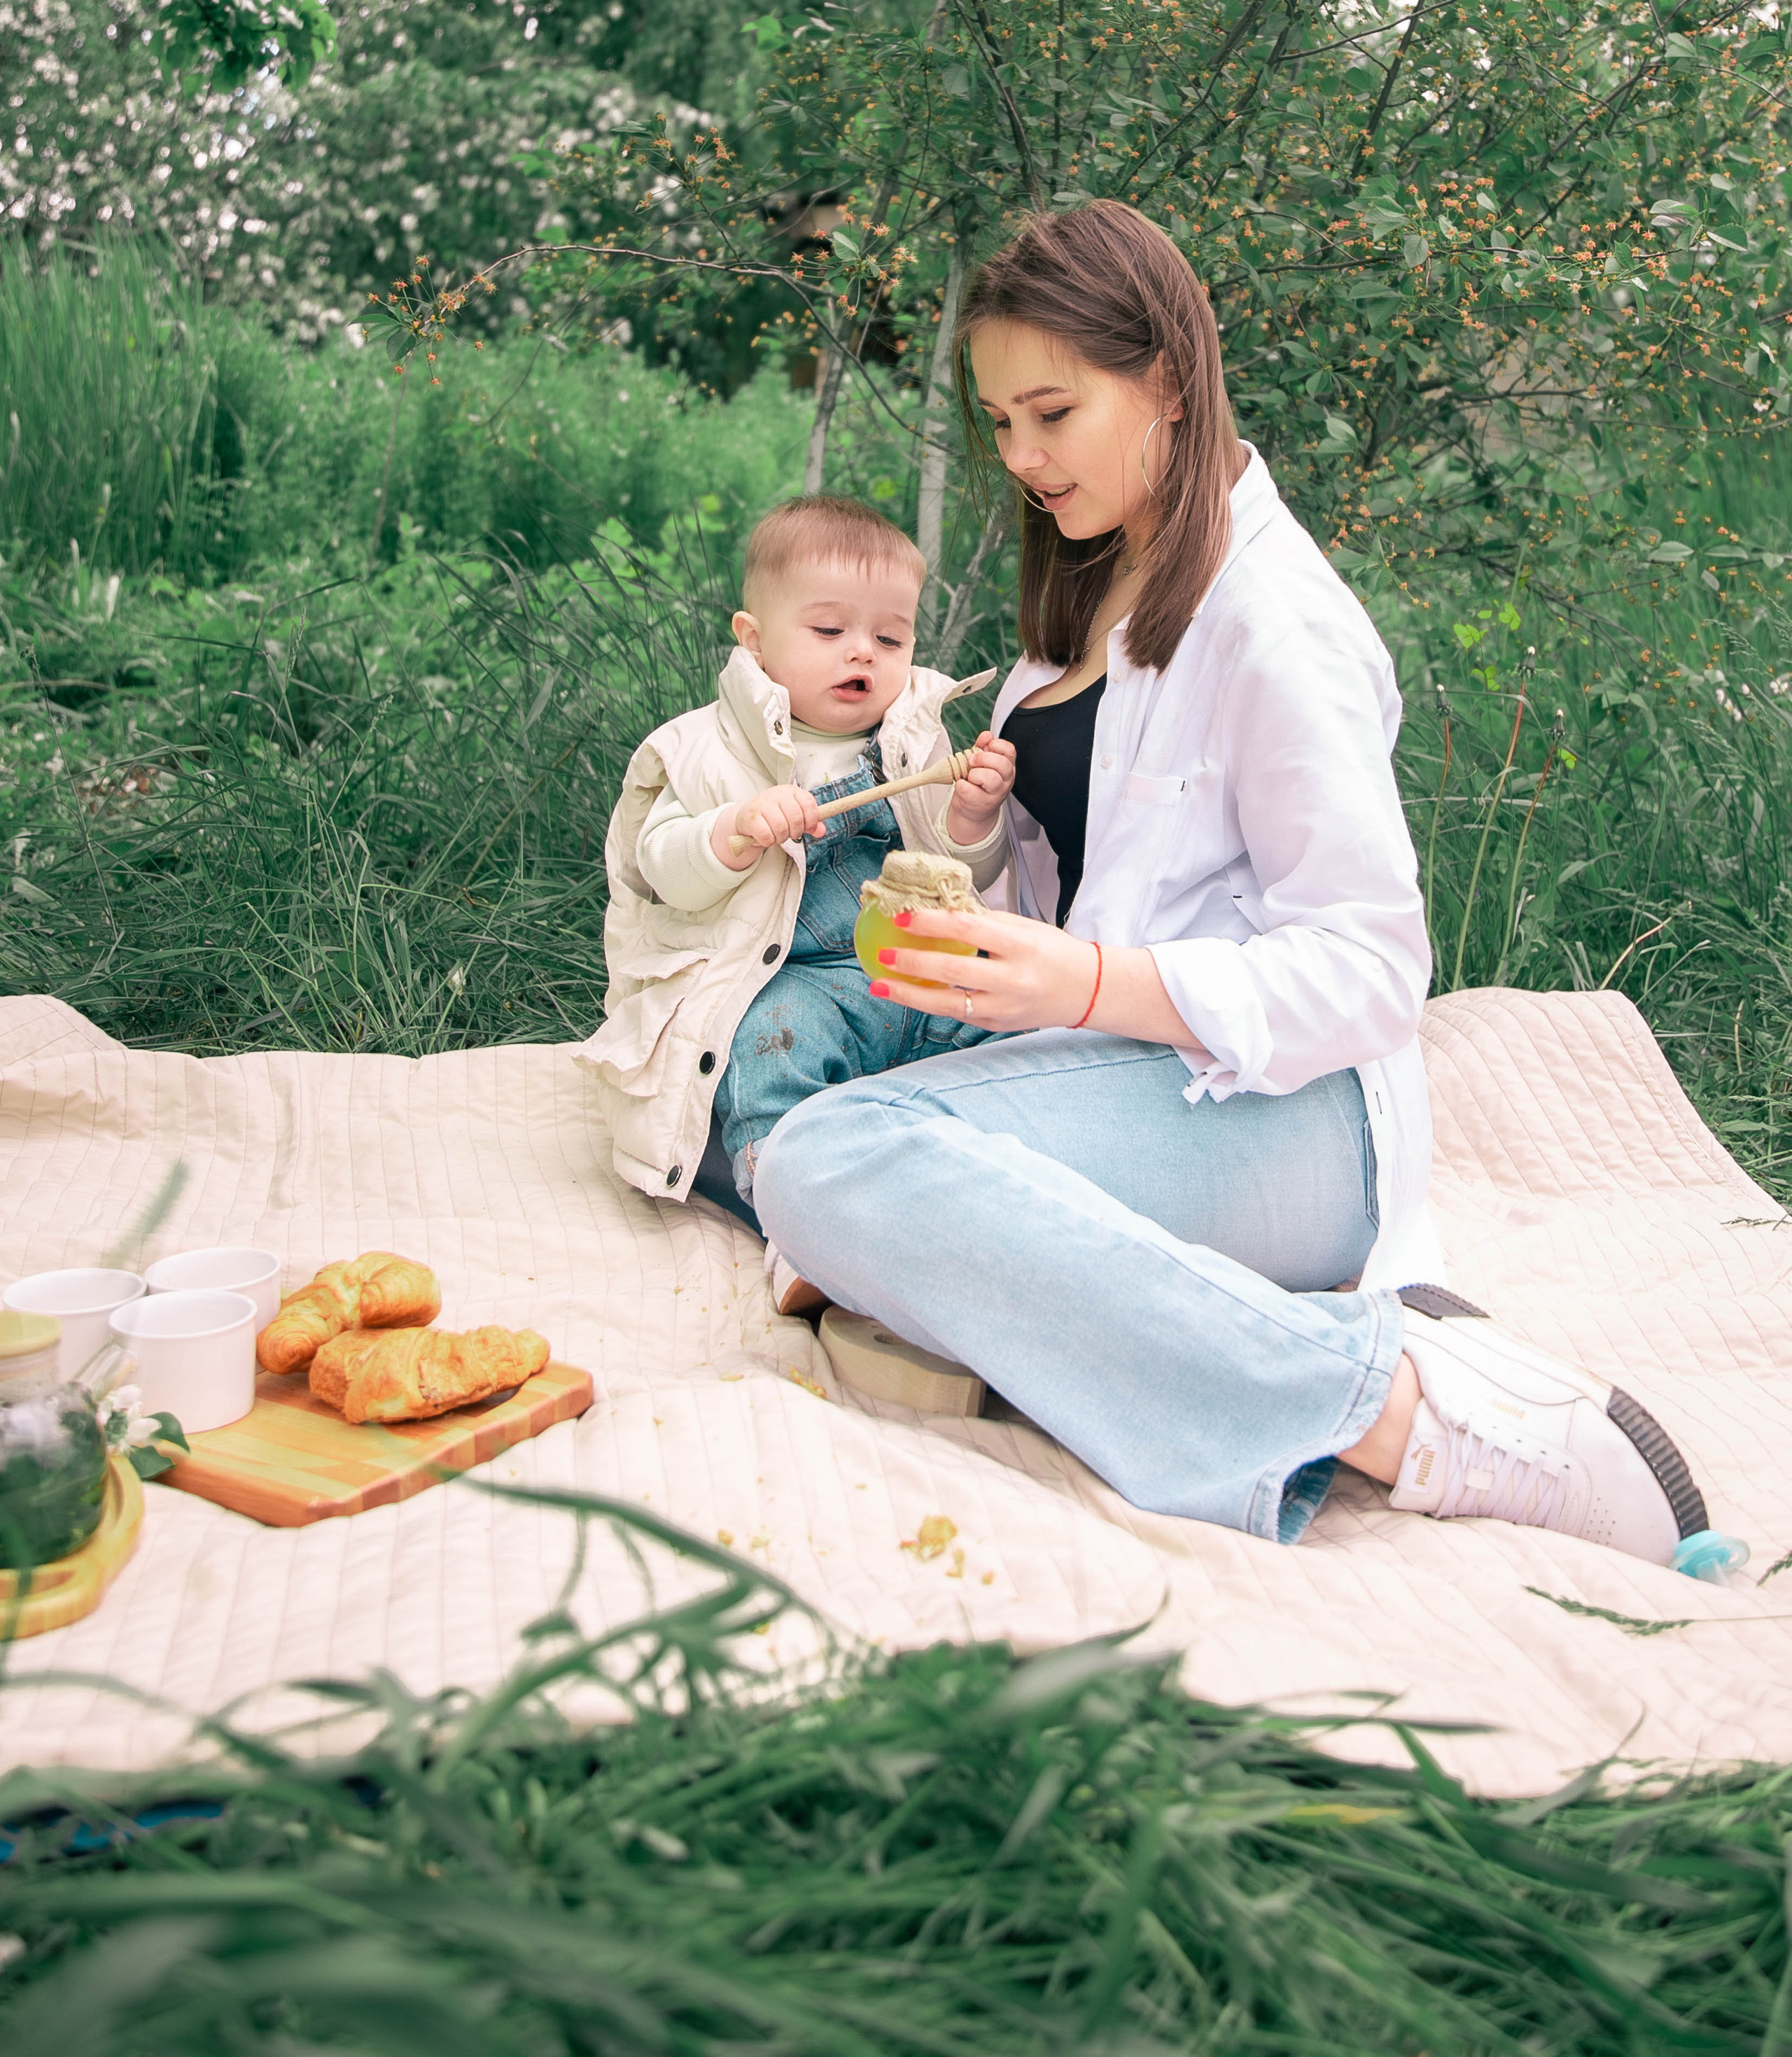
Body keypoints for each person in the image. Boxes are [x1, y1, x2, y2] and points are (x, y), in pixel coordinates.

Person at [750, 204, 1711, 1568]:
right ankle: (1152, 1306)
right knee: (828, 1161)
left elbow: (1373, 971)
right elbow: (1092, 890)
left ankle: (1397, 1406)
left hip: (1290, 1114)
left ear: (1164, 381)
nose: (1019, 458)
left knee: (831, 1161)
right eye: (998, 424)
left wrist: (1084, 981)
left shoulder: (1276, 622)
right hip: (1128, 1073)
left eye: (1050, 413)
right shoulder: (1090, 599)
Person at [575, 496, 1016, 1305]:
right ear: (754, 640)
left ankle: (960, 1187)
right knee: (771, 1056)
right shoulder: (704, 750)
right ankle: (797, 1227)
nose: (864, 655)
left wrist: (973, 820)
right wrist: (733, 833)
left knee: (987, 1020)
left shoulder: (912, 741)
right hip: (779, 980)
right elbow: (659, 867)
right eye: (829, 632)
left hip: (896, 965)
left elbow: (964, 873)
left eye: (890, 638)